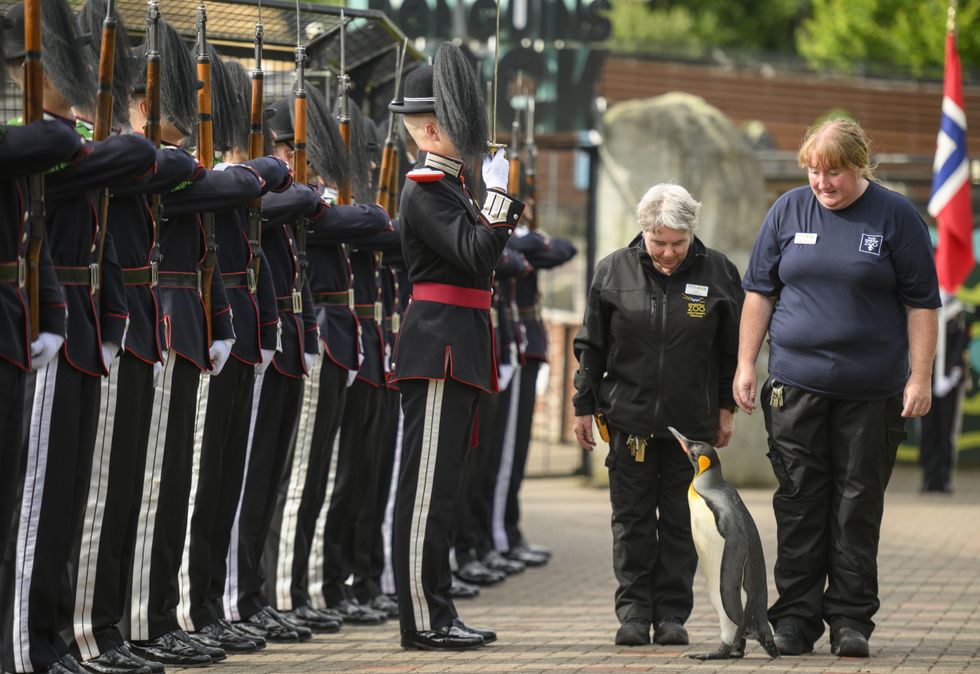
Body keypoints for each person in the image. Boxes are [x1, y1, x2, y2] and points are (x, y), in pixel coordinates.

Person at [733, 118, 941, 659]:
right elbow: (760, 293)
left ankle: (851, 620)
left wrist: (919, 376)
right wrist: (745, 364)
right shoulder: (787, 210)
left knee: (856, 505)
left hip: (872, 392)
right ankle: (795, 620)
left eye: (834, 172)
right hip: (796, 385)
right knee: (800, 501)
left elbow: (922, 304)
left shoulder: (897, 217)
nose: (822, 182)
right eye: (813, 170)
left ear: (860, 166)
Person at [388, 42, 524, 651]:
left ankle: (436, 608)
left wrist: (490, 202)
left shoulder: (450, 185)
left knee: (443, 489)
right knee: (426, 491)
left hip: (459, 343)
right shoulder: (425, 187)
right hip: (440, 346)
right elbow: (474, 254)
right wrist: (498, 202)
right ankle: (423, 617)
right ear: (434, 127)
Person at [572, 183, 743, 648]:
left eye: (678, 243)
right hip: (629, 424)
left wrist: (725, 409)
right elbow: (592, 346)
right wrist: (583, 406)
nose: (668, 252)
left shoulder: (720, 273)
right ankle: (632, 613)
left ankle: (671, 614)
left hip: (691, 425)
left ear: (692, 234)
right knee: (631, 521)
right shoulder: (613, 270)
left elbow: (732, 351)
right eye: (659, 242)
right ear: (643, 231)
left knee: (680, 521)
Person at [919, 298, 968, 494]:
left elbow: (960, 344)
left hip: (950, 382)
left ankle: (944, 477)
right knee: (928, 429)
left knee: (947, 430)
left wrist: (952, 373)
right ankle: (928, 477)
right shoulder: (926, 309)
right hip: (927, 380)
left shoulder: (959, 311)